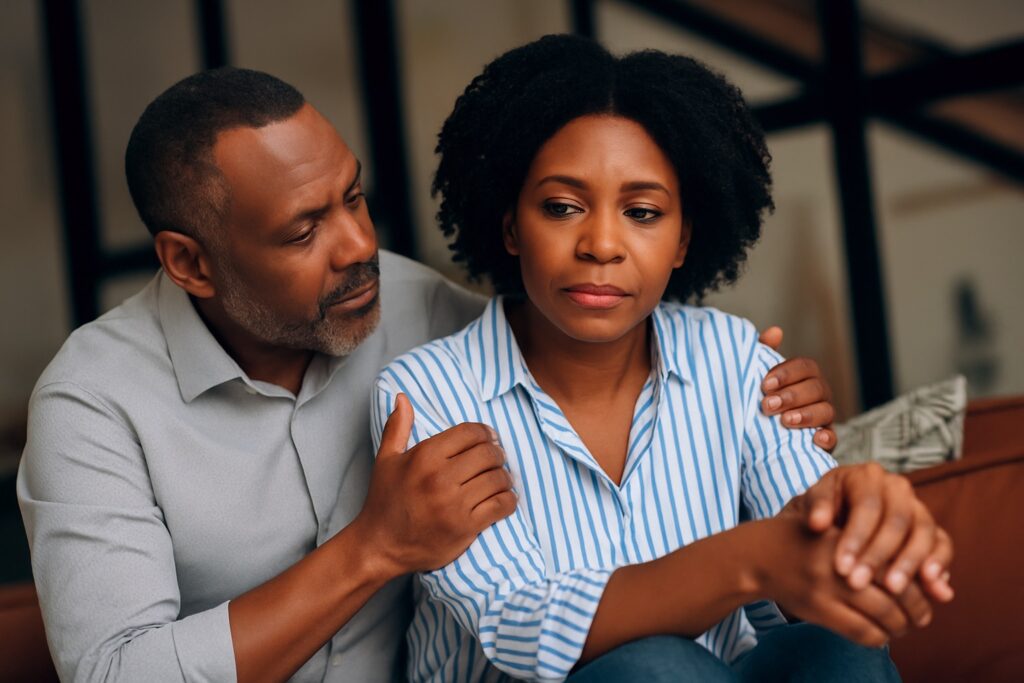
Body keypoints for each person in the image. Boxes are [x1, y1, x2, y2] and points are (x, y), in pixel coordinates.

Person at [19, 67, 839, 682]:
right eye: (305, 229)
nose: (356, 246)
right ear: (190, 263)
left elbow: (578, 331)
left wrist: (752, 383)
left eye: (354, 197)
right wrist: (372, 549)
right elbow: (115, 674)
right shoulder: (94, 402)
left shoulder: (420, 309)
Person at [370, 35, 953, 682]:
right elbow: (519, 622)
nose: (601, 244)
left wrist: (854, 522)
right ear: (510, 225)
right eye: (562, 207)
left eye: (643, 212)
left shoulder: (732, 356)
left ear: (683, 241)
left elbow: (810, 543)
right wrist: (750, 556)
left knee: (842, 646)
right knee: (657, 666)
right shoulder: (427, 393)